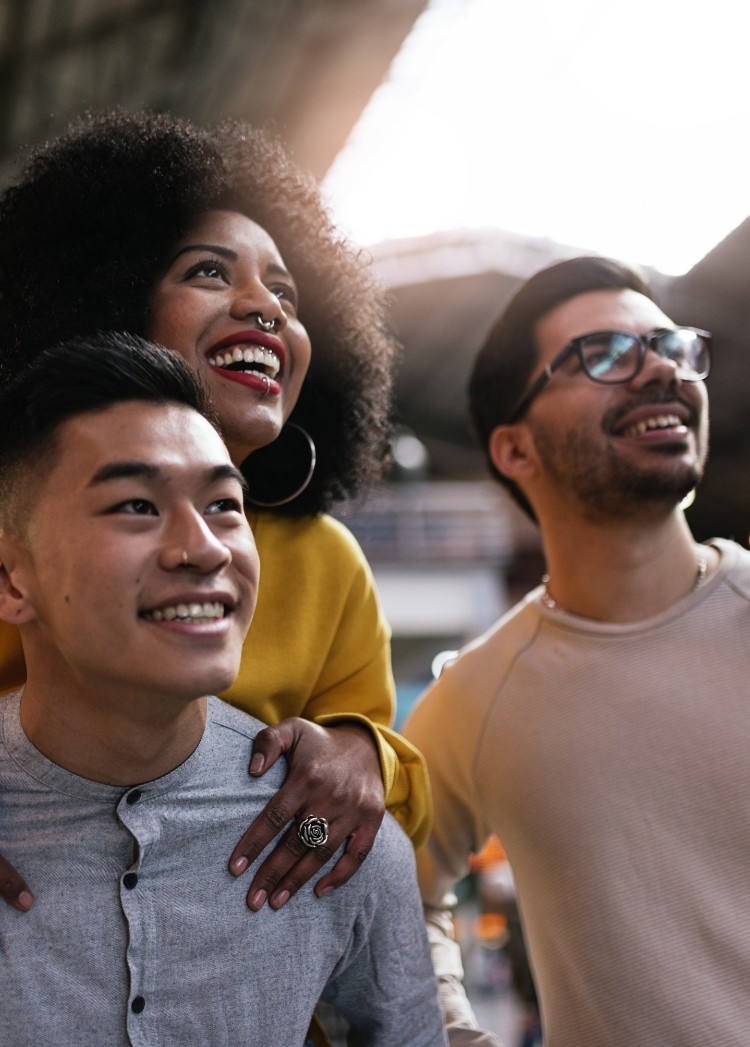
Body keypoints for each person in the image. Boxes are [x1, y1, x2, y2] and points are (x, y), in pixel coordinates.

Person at [0, 109, 430, 920]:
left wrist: (358, 758)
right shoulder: (16, 519)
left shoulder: (326, 561)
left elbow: (394, 805)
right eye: (209, 272)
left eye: (287, 292)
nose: (264, 306)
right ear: (108, 303)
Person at [0, 331, 447, 1047]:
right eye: (136, 506)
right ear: (10, 577)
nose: (204, 548)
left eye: (223, 505)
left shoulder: (317, 829)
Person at [404, 255, 750, 1046]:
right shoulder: (477, 701)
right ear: (514, 450)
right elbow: (393, 894)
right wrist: (456, 1035)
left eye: (671, 346)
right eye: (605, 353)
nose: (661, 368)